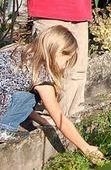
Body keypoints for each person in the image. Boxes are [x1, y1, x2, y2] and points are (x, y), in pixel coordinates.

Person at [0, 25, 103, 162]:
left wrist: (42, 121)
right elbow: (60, 119)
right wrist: (86, 148)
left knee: (25, 94)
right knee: (33, 96)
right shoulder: (41, 76)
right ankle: (4, 129)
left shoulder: (19, 51)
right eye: (67, 61)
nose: (65, 66)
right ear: (58, 53)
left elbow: (17, 99)